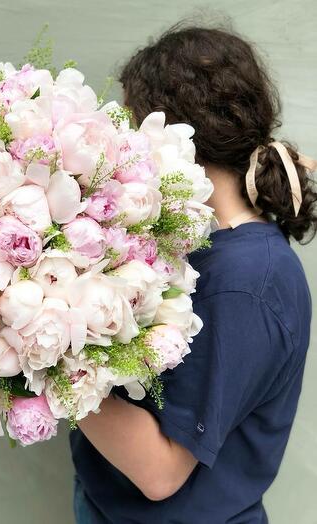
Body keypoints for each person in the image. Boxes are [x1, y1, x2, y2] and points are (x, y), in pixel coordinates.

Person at [70, 23, 317, 524]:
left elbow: (161, 474)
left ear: (174, 132)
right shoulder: (200, 246)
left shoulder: (245, 281)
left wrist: (33, 357)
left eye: (133, 126)